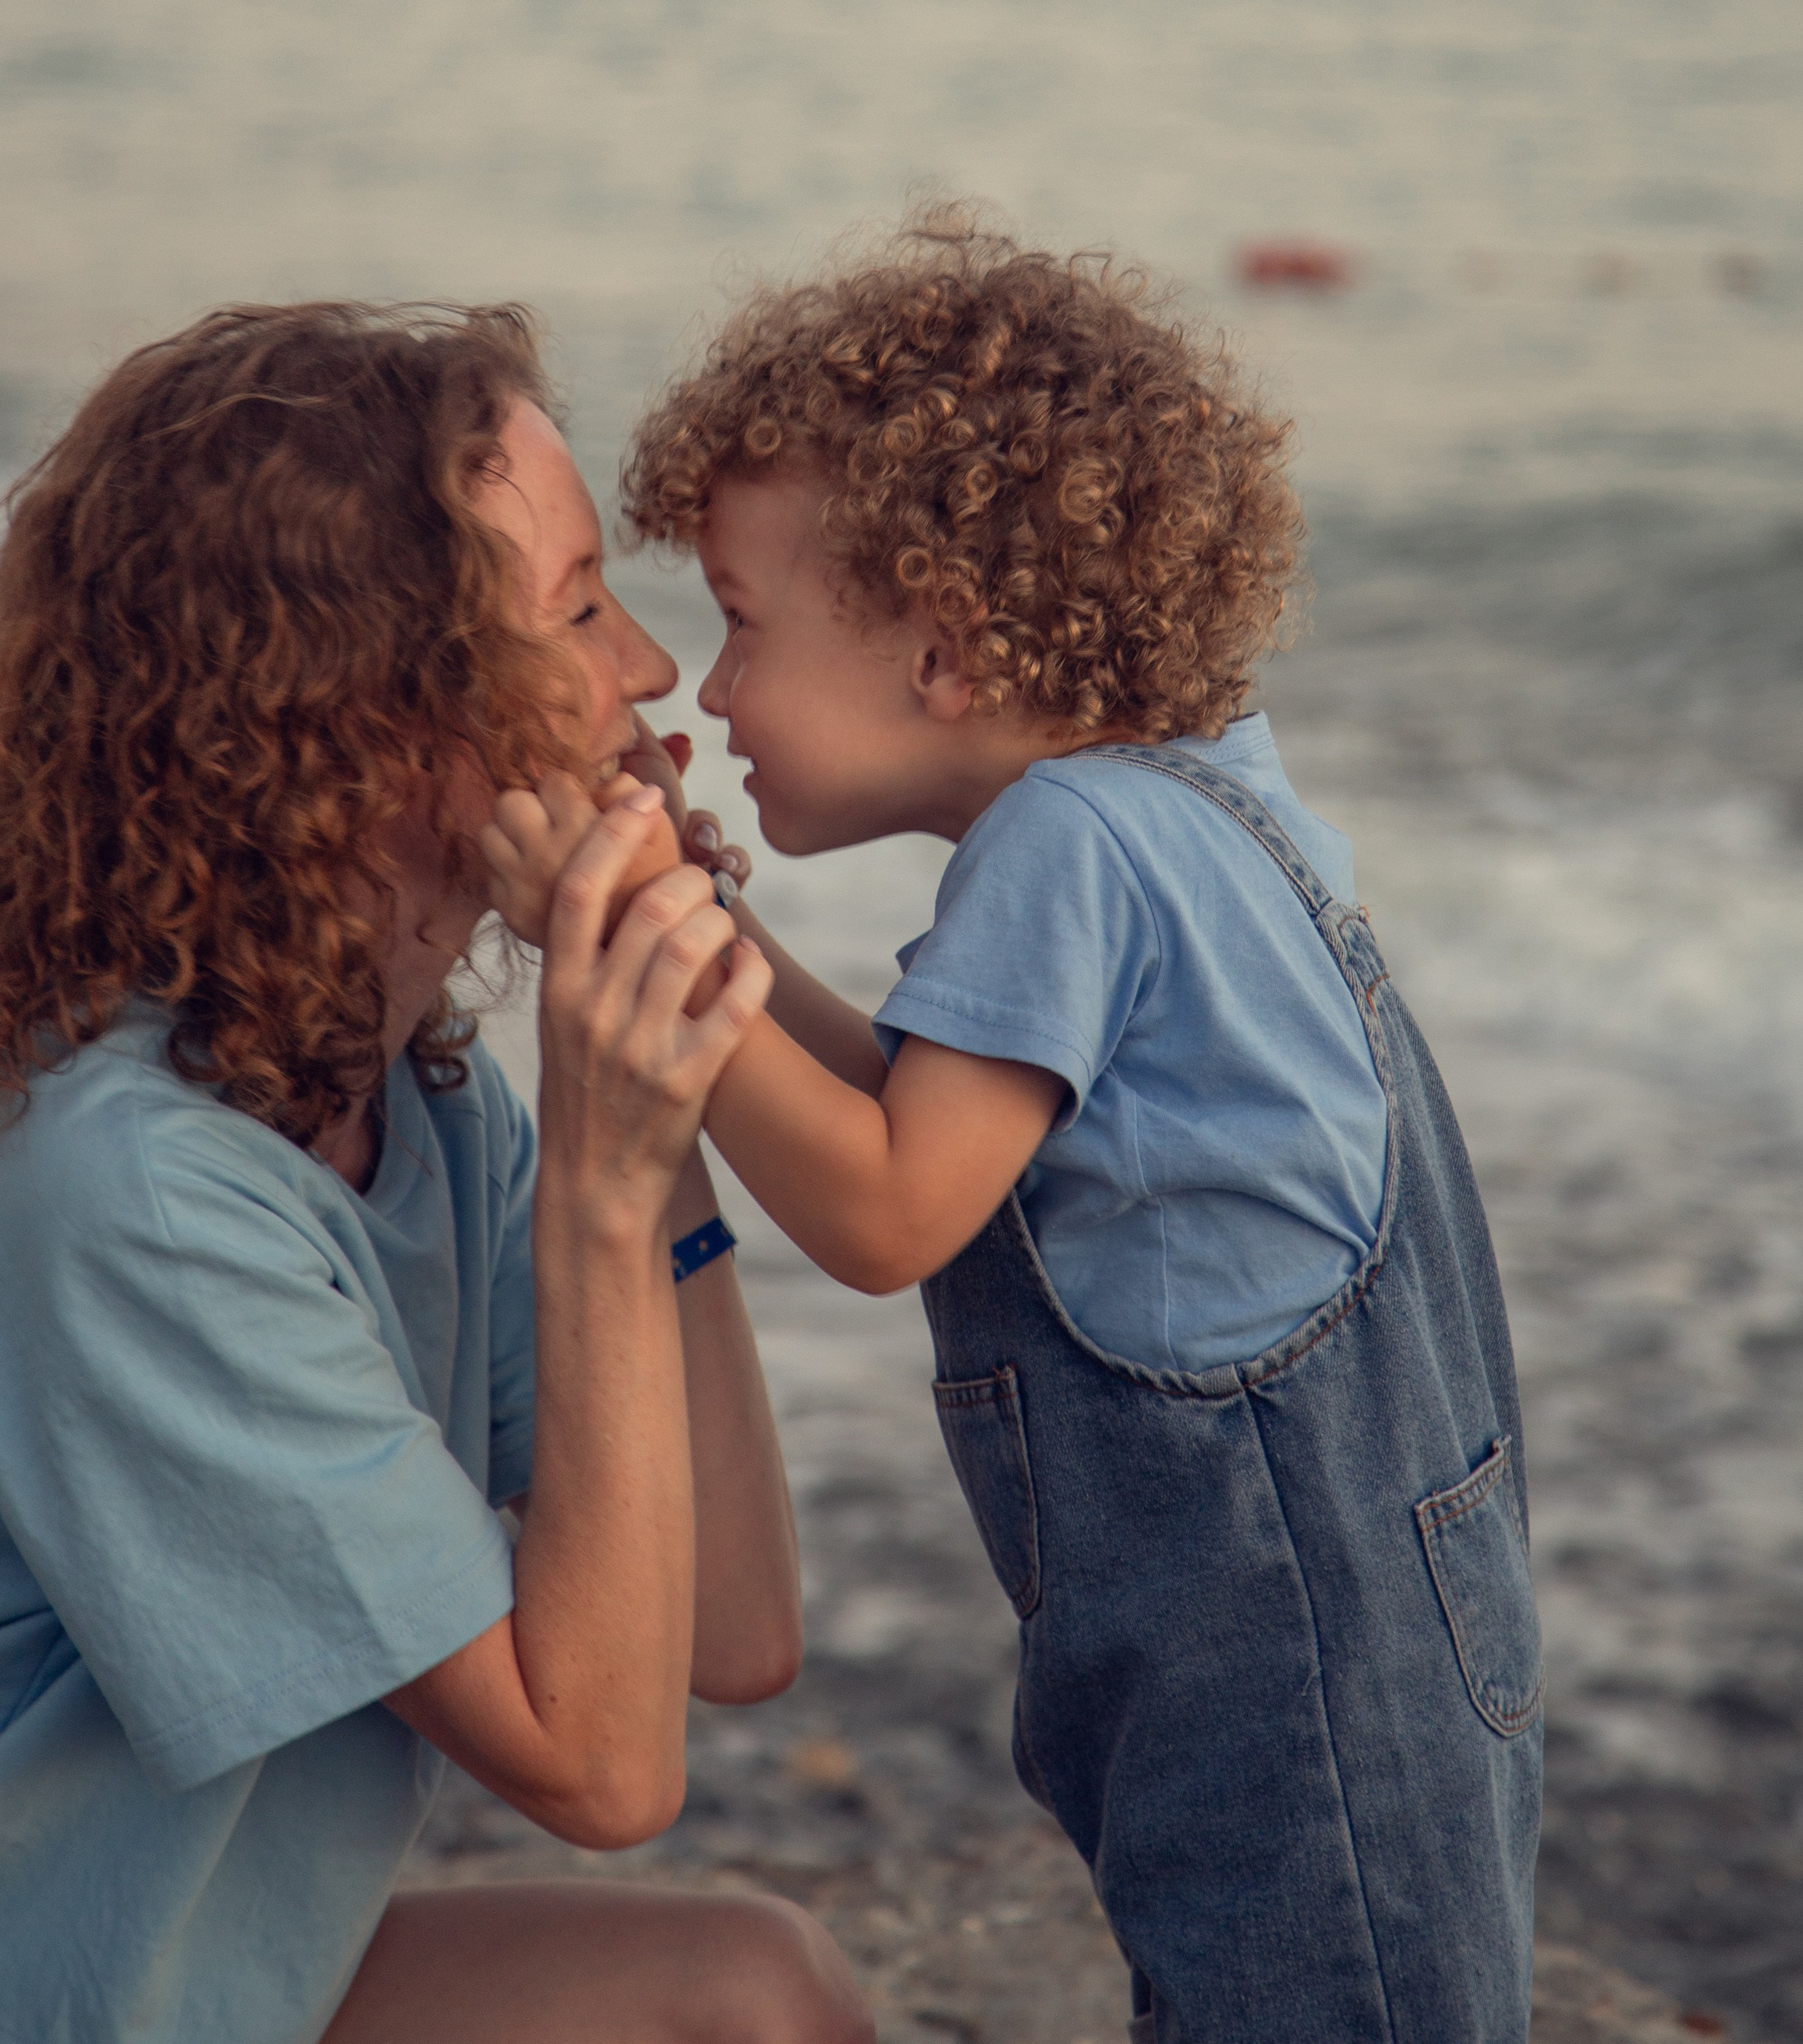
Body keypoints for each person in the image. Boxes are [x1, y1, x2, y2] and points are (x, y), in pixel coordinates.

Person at [486, 215, 1543, 2044]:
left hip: (1289, 1681)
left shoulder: (1070, 849)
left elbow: (891, 1212)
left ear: (949, 651)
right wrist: (711, 929)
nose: (707, 690)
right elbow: (913, 1115)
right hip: (1362, 1639)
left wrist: (642, 948)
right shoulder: (1190, 804)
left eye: (740, 620)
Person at [0, 300, 872, 2044]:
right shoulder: (121, 1193)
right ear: (359, 721)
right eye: (574, 611)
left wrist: (667, 1104)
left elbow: (731, 1630)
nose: (647, 675)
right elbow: (601, 1765)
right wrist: (598, 1156)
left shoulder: (400, 1094)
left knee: (751, 1994)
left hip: (207, 1988)